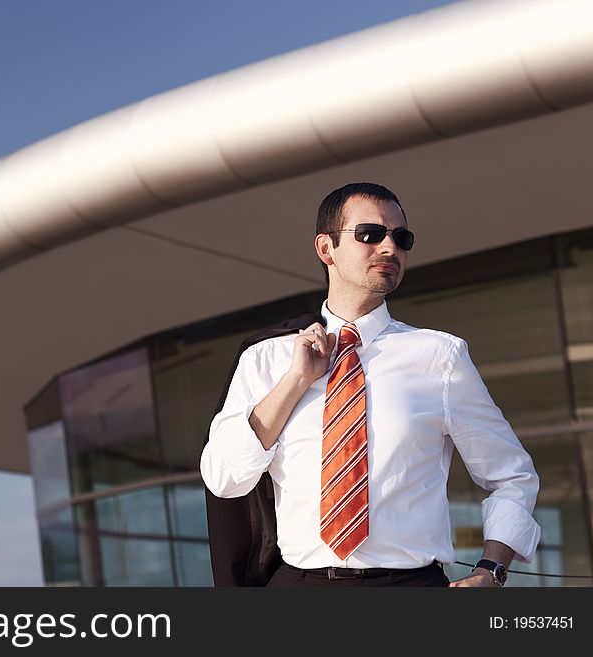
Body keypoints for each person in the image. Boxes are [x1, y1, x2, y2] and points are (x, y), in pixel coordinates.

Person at [200, 182, 540, 587]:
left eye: (402, 238)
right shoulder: (266, 359)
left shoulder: (439, 356)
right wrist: (294, 381)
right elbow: (224, 477)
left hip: (409, 587)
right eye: (370, 235)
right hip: (299, 586)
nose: (389, 248)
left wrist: (492, 570)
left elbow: (512, 476)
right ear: (326, 249)